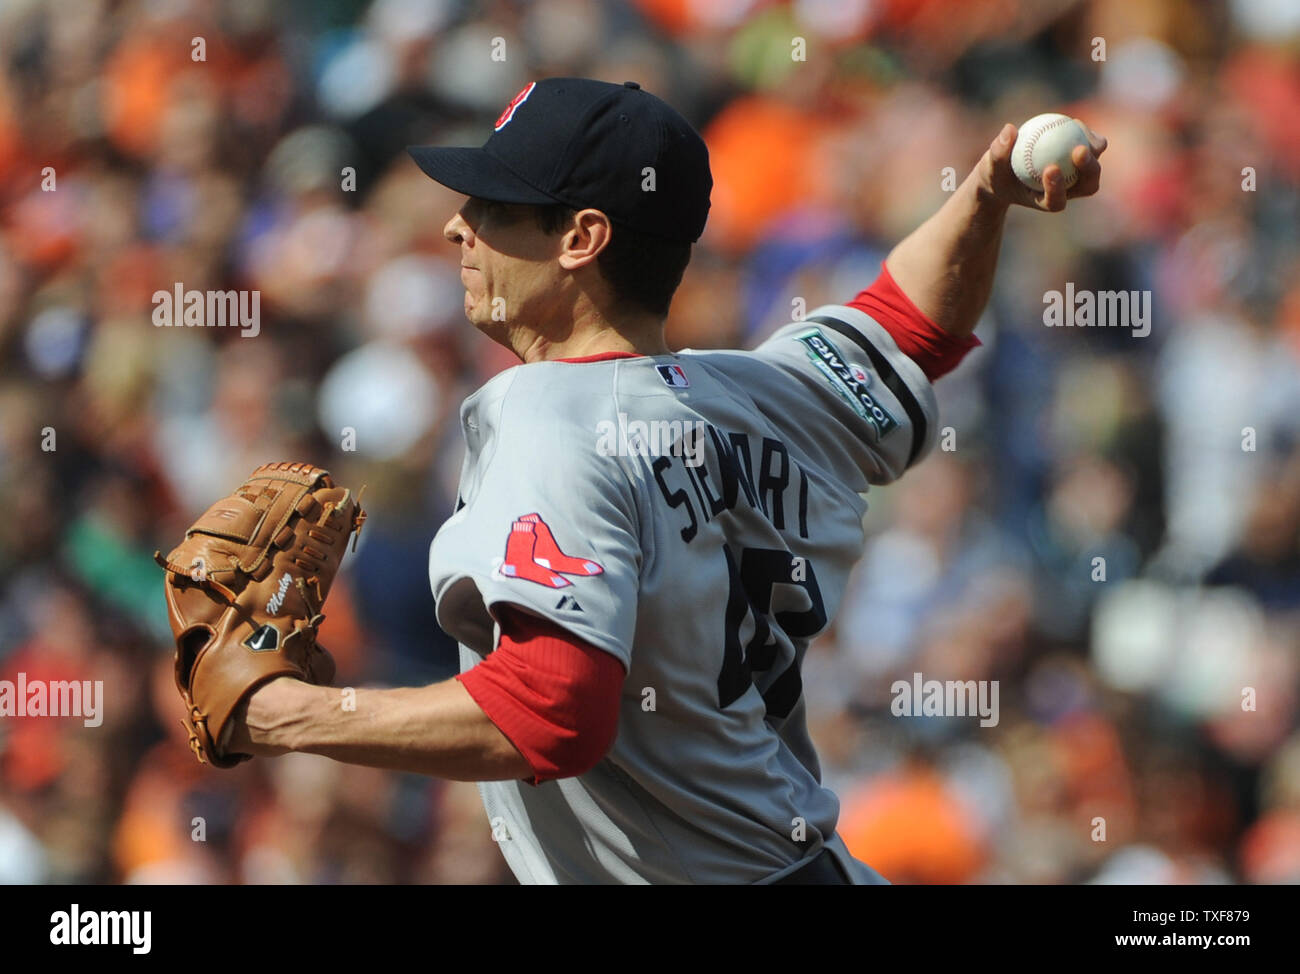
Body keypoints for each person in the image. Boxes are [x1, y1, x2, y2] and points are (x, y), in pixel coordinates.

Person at [228, 77, 1105, 884]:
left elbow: (551, 712)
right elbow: (911, 323)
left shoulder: (551, 421)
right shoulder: (763, 396)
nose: (459, 225)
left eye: (495, 205)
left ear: (582, 239)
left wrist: (280, 717)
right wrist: (987, 195)